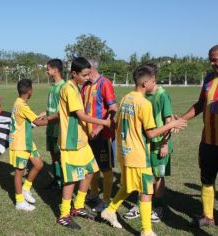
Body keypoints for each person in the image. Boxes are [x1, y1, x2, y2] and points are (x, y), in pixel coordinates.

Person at [100, 63, 187, 236]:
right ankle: (146, 231)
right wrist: (172, 124)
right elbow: (151, 133)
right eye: (153, 81)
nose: (155, 84)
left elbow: (117, 122)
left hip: (125, 152)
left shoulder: (126, 98)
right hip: (138, 155)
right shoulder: (144, 103)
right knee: (147, 191)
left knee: (129, 186)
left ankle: (109, 211)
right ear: (144, 83)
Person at [56, 57, 111, 229]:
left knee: (90, 170)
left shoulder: (77, 87)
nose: (88, 78)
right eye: (85, 75)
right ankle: (64, 214)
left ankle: (78, 206)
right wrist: (104, 123)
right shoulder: (69, 89)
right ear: (74, 73)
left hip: (81, 140)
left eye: (89, 74)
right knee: (71, 179)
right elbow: (81, 116)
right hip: (71, 142)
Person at [124, 64, 173, 223]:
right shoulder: (142, 95)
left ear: (153, 80)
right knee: (144, 175)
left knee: (157, 177)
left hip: (159, 143)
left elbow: (169, 120)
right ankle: (141, 205)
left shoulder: (162, 95)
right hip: (144, 143)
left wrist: (165, 144)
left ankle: (158, 208)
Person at [181, 44, 218, 227]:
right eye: (210, 59)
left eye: (216, 59)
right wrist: (181, 119)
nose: (212, 63)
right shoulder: (210, 78)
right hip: (209, 141)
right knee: (207, 179)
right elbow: (200, 104)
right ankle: (208, 216)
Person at [81, 59, 117, 213]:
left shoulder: (104, 83)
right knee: (91, 167)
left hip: (103, 135)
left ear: (90, 69)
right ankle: (94, 193)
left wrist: (100, 127)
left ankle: (106, 200)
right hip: (87, 135)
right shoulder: (85, 85)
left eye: (83, 70)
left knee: (105, 168)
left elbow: (114, 109)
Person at [9, 79, 48, 211]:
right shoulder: (22, 106)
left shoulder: (18, 102)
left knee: (38, 164)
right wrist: (54, 118)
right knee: (19, 173)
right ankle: (19, 201)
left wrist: (40, 116)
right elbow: (38, 123)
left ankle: (25, 189)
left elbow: (28, 121)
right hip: (20, 143)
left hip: (27, 141)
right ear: (30, 91)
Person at [45, 59, 65, 190]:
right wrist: (43, 113)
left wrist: (47, 119)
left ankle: (63, 182)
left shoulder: (63, 87)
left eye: (48, 68)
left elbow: (61, 111)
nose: (47, 71)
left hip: (59, 127)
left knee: (61, 155)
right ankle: (56, 180)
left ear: (55, 70)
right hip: (50, 126)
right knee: (53, 154)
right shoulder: (52, 86)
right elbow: (51, 107)